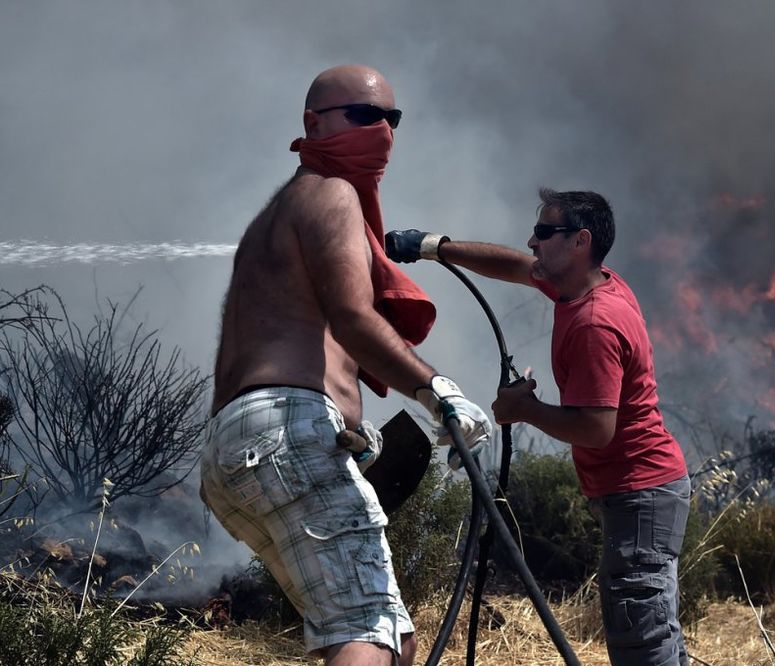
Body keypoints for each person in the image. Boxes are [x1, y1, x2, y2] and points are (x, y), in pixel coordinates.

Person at [199, 64, 493, 666]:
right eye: (363, 115)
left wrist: (342, 430)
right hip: (283, 428)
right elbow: (354, 318)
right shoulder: (329, 195)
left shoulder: (279, 217)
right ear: (313, 123)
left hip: (248, 445)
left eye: (393, 118)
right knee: (364, 627)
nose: (382, 130)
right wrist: (437, 391)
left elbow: (302, 339)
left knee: (396, 638)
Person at [386, 189, 692, 666]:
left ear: (579, 242)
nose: (532, 240)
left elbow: (596, 429)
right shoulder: (587, 283)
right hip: (641, 492)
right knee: (649, 632)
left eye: (546, 232)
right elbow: (512, 265)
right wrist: (433, 246)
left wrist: (522, 408)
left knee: (642, 642)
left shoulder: (595, 322)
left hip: (641, 493)